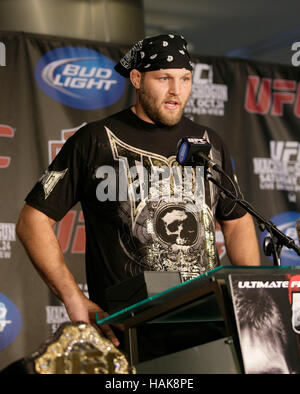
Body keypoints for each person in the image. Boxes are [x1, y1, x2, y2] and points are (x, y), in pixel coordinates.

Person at [17, 34, 260, 362]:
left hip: (209, 325)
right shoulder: (96, 140)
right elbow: (33, 220)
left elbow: (236, 222)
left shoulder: (207, 142)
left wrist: (251, 299)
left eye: (184, 79)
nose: (176, 91)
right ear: (137, 79)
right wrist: (72, 297)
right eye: (164, 78)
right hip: (130, 332)